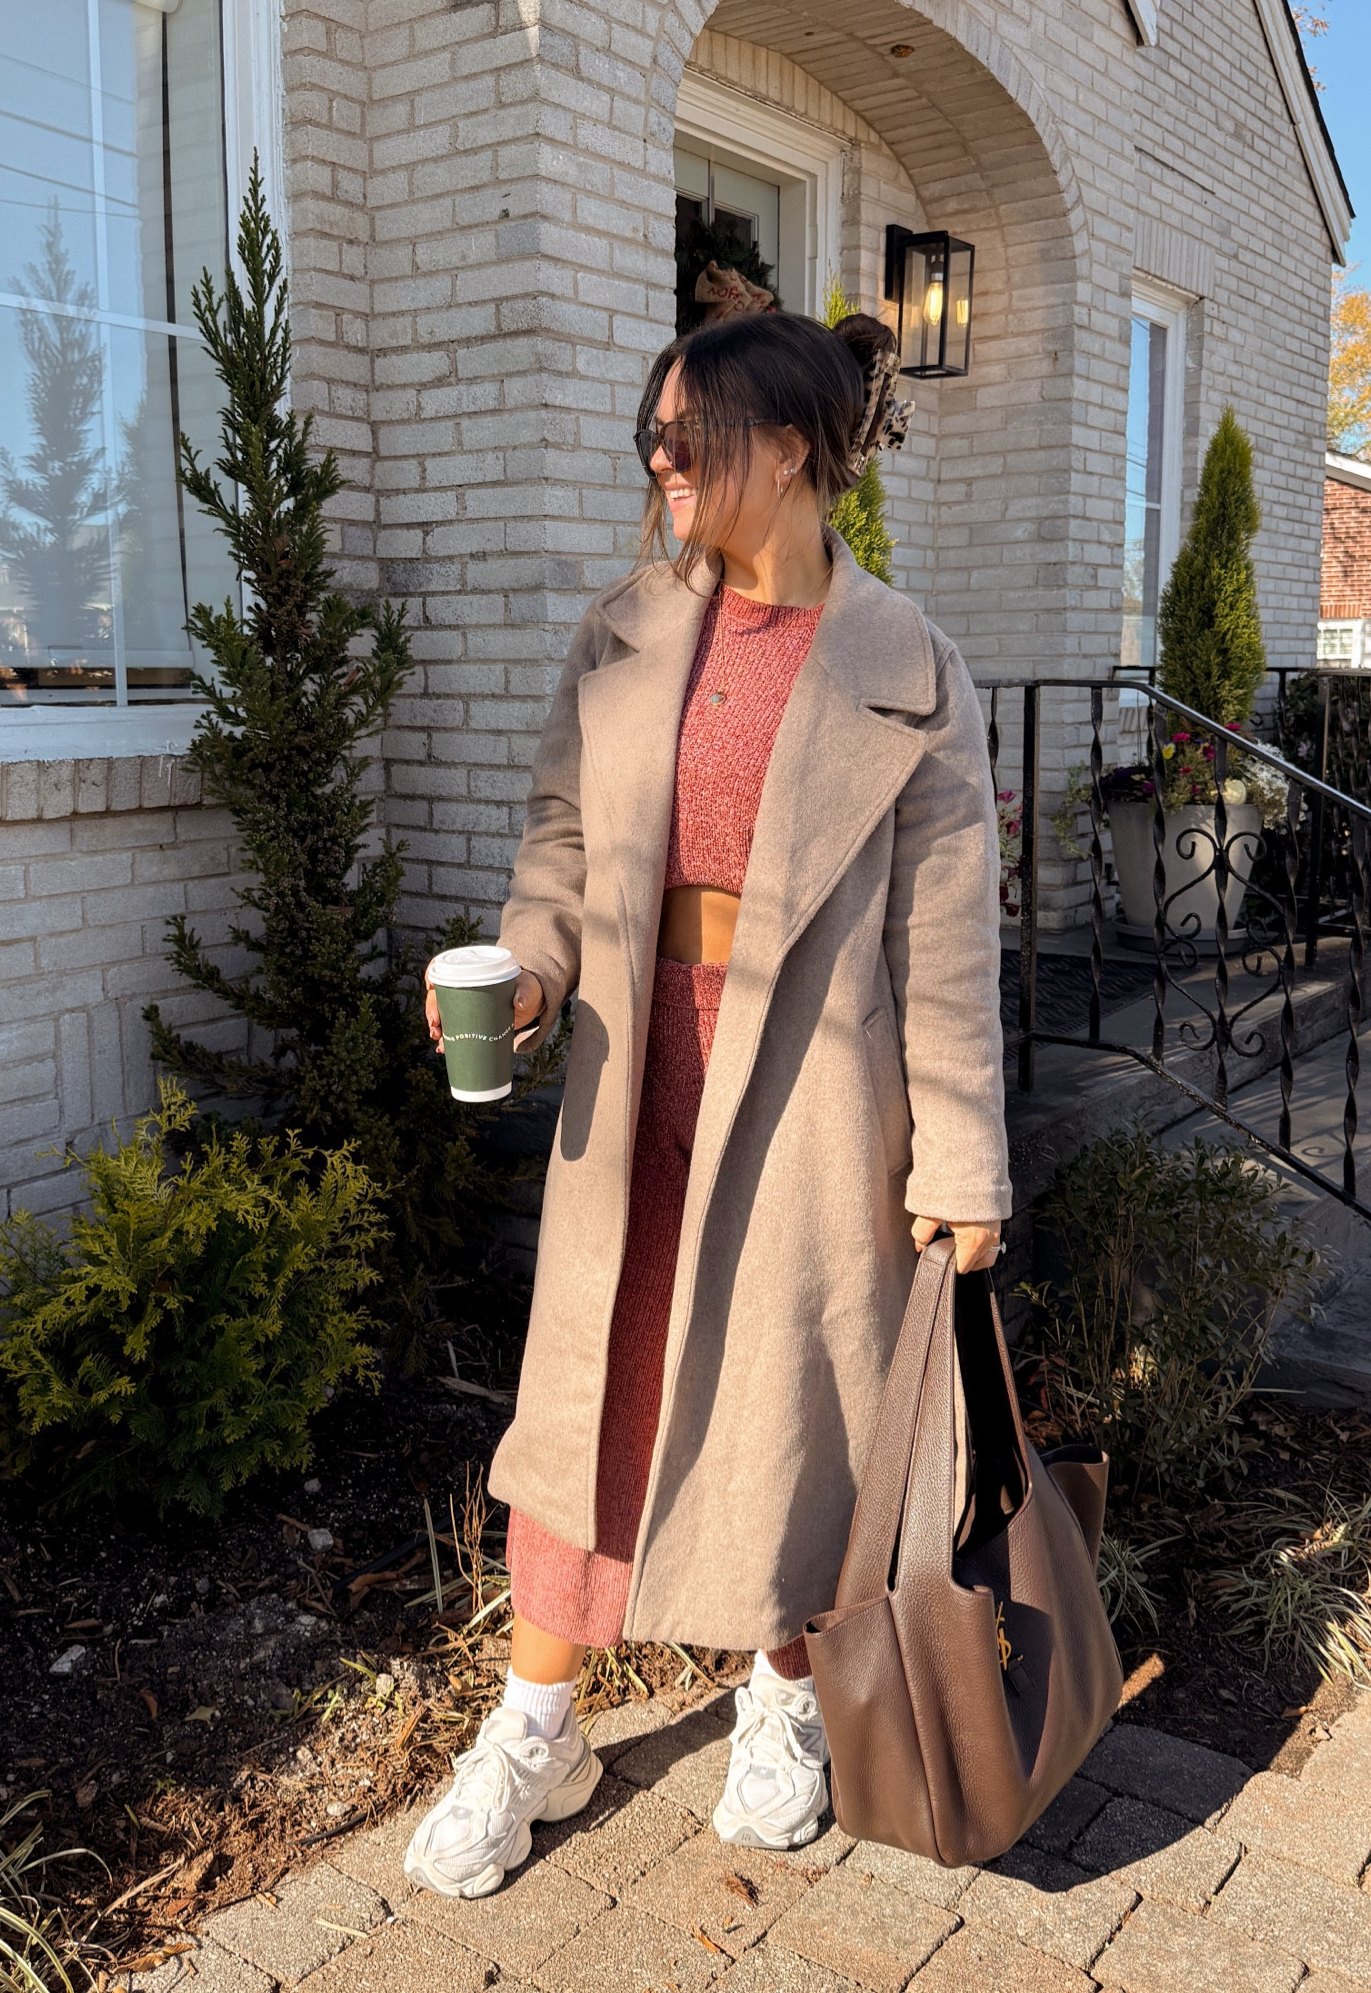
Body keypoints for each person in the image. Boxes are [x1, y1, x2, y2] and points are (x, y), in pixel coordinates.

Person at [405, 308, 1010, 1899]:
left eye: (690, 437)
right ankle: (537, 1726)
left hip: (817, 1088)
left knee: (794, 1400)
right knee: (587, 1397)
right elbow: (557, 848)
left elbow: (949, 943)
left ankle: (784, 1694)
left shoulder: (909, 666)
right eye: (651, 439)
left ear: (793, 447)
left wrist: (963, 1162)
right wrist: (531, 974)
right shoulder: (620, 632)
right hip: (634, 1066)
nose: (661, 463)